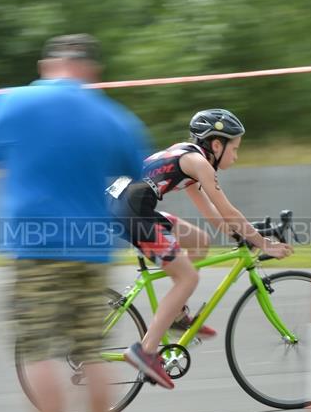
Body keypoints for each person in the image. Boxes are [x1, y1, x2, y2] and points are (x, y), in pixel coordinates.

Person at [0, 34, 150, 412]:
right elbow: (135, 177)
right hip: (92, 247)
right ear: (91, 71)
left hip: (33, 246)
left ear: (49, 64)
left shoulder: (10, 102)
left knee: (35, 347)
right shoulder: (115, 117)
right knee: (90, 348)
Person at [109, 109, 293, 389]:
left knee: (199, 241)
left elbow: (216, 218)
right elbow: (228, 210)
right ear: (216, 145)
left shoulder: (189, 161)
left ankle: (176, 315)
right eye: (235, 148)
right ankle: (145, 352)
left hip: (127, 206)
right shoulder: (199, 163)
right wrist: (264, 244)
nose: (236, 156)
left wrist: (246, 233)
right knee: (188, 278)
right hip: (131, 213)